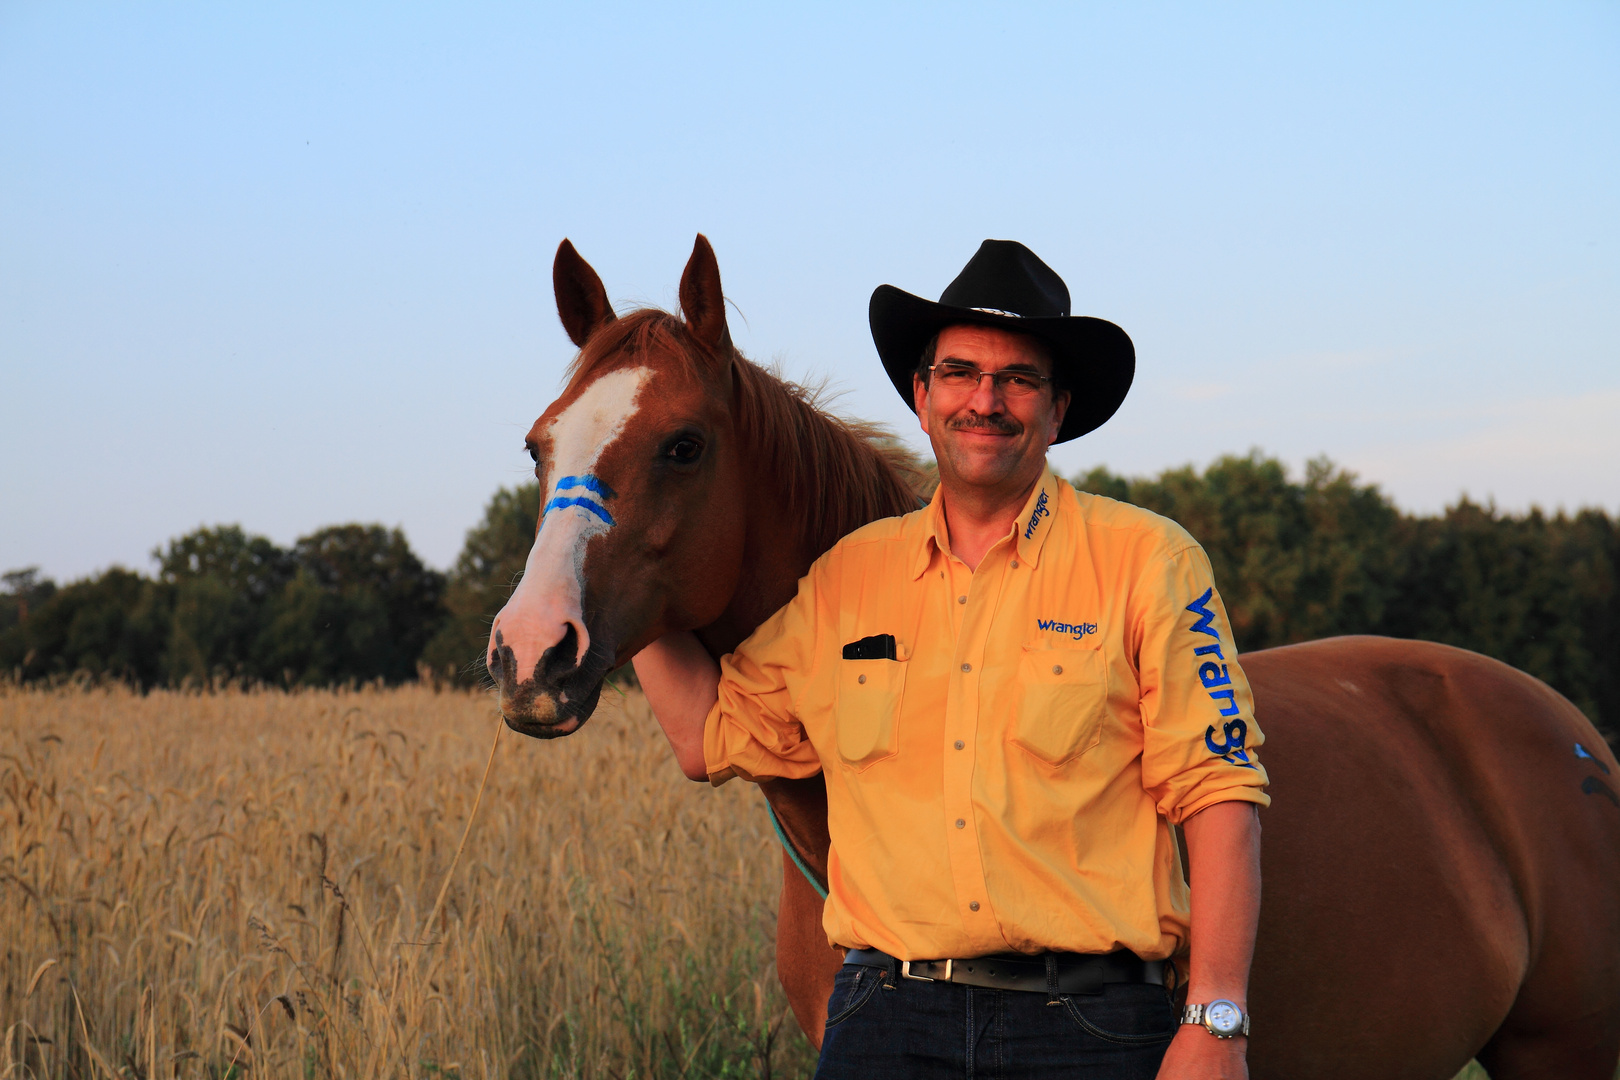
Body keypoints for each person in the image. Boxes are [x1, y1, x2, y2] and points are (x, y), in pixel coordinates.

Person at [634, 240, 1267, 1080]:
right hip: (884, 1024)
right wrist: (608, 566)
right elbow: (706, 735)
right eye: (961, 373)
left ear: (1058, 409)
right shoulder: (847, 581)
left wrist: (1217, 1021)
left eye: (1019, 379)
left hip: (1089, 1025)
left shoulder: (1149, 562)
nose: (987, 400)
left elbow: (1220, 796)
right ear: (922, 397)